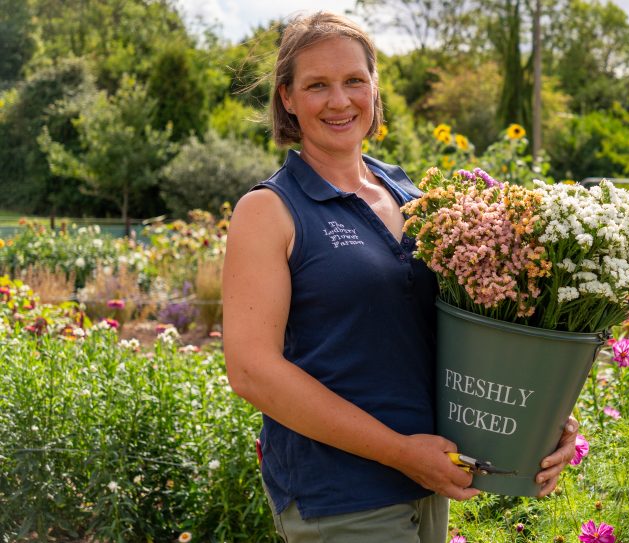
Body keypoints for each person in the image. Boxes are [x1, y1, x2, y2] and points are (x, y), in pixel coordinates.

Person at [222, 11, 578, 542]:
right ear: (287, 98)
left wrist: (544, 422)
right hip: (340, 495)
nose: (339, 101)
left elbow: (471, 336)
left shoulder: (415, 198)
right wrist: (400, 452)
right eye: (317, 85)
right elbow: (252, 372)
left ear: (374, 87)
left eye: (353, 80)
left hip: (430, 482)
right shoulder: (270, 210)